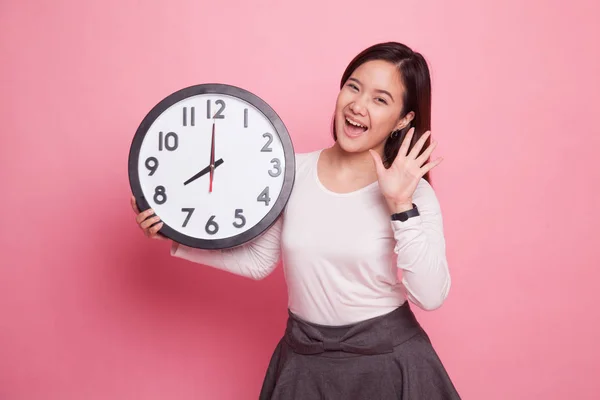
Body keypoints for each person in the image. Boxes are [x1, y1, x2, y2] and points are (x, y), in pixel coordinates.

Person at [131, 41, 461, 399]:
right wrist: (178, 237)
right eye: (353, 87)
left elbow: (430, 296)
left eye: (380, 99)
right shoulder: (291, 172)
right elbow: (259, 261)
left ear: (403, 119)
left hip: (388, 363)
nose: (357, 105)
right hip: (305, 362)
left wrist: (401, 205)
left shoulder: (413, 193)